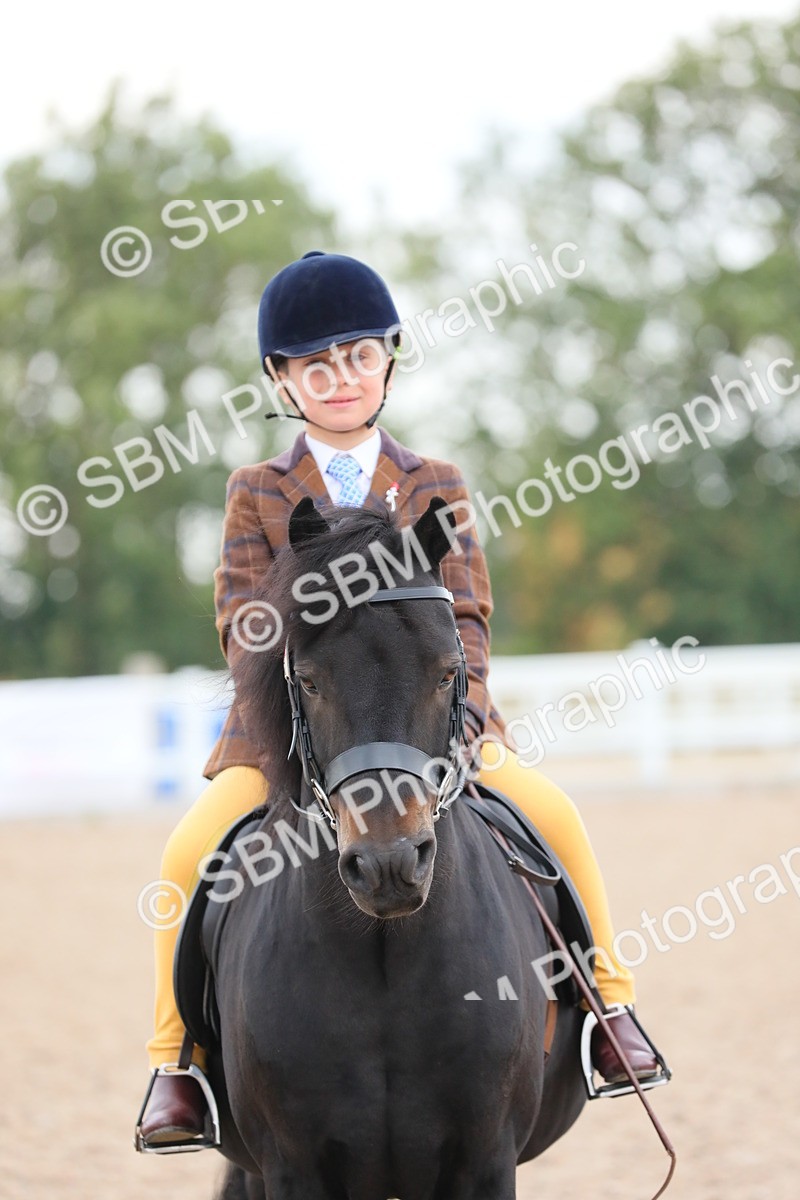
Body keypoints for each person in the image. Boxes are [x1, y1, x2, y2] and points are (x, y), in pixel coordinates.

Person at [137, 251, 664, 1149]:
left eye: (356, 357)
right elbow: (241, 627)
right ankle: (175, 1065)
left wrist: (456, 725)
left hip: (431, 729)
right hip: (288, 738)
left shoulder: (436, 484)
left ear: (387, 359)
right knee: (187, 856)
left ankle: (612, 1014)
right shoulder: (256, 493)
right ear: (281, 378)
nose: (338, 379)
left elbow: (468, 619)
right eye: (314, 364)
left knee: (558, 816)